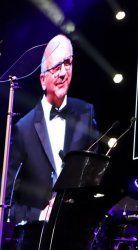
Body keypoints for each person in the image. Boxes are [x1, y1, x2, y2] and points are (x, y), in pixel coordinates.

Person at [6, 34, 98, 225]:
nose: (64, 73)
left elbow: (93, 178)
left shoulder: (86, 113)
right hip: (35, 237)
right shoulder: (22, 129)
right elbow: (7, 205)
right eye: (56, 68)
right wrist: (40, 216)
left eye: (68, 63)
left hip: (75, 232)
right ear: (42, 80)